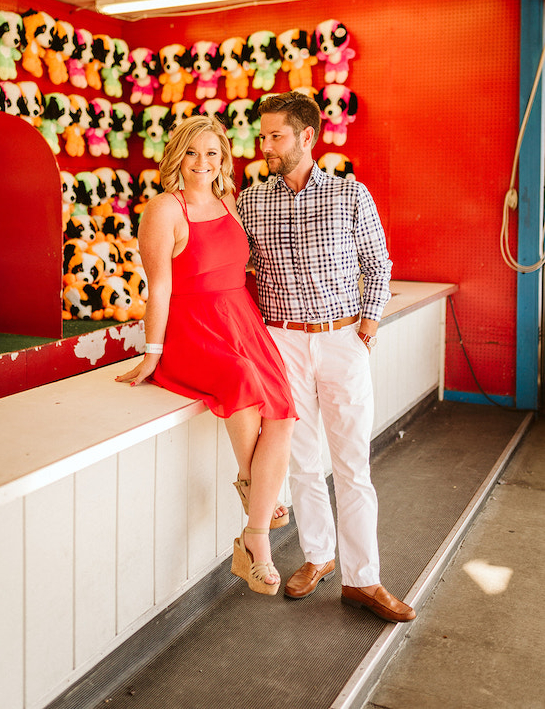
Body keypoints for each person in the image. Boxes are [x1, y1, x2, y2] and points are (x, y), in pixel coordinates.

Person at [238, 91, 414, 623]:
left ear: (307, 137)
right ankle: (317, 557)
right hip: (281, 342)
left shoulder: (350, 196)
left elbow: (378, 264)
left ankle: (364, 580)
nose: (265, 145)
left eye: (276, 136)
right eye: (262, 135)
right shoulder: (250, 202)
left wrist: (367, 325)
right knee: (301, 462)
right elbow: (235, 272)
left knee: (353, 466)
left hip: (342, 339)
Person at [116, 115, 296, 595]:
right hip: (192, 329)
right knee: (240, 378)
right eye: (193, 153)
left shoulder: (230, 202)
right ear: (178, 156)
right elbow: (159, 290)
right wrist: (151, 355)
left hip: (241, 320)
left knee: (282, 409)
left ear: (224, 160)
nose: (202, 162)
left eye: (212, 153)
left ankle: (253, 535)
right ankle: (249, 482)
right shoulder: (162, 210)